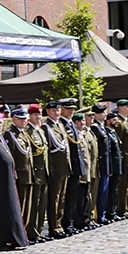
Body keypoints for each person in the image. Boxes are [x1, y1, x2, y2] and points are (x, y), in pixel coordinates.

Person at [0, 108, 28, 251]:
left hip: (7, 180)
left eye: (0, 122)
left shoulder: (0, 136)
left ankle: (13, 239)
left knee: (11, 209)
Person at [43, 101, 70, 238]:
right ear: (47, 111)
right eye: (54, 110)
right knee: (54, 198)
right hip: (55, 167)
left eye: (58, 110)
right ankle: (54, 227)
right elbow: (47, 150)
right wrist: (51, 169)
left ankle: (59, 225)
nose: (57, 113)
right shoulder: (46, 126)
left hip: (64, 167)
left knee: (62, 198)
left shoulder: (59, 125)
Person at [59, 99, 86, 235]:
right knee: (67, 197)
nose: (71, 111)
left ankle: (70, 222)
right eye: (68, 108)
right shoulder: (61, 125)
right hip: (68, 167)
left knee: (73, 196)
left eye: (72, 109)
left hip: (75, 166)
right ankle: (66, 223)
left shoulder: (71, 124)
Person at [5, 107, 34, 229]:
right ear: (13, 119)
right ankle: (19, 232)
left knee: (27, 205)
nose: (23, 121)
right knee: (20, 205)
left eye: (24, 119)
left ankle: (24, 231)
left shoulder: (23, 133)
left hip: (28, 174)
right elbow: (11, 156)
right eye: (20, 119)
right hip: (20, 175)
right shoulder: (10, 134)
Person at [25, 104, 50, 243]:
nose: (38, 116)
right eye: (35, 114)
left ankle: (39, 230)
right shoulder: (28, 132)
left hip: (43, 173)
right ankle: (32, 232)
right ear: (30, 115)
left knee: (42, 204)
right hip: (35, 173)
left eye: (39, 114)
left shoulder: (40, 131)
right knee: (34, 204)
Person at [89, 104, 113, 224]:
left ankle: (102, 214)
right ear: (96, 114)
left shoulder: (102, 127)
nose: (105, 115)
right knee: (99, 192)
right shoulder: (95, 127)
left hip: (106, 163)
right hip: (100, 164)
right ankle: (99, 215)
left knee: (104, 191)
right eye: (102, 113)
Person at [114, 99, 128, 217]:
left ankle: (125, 208)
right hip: (123, 158)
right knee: (122, 185)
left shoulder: (125, 122)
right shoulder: (119, 123)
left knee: (127, 184)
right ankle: (121, 209)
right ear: (120, 108)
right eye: (127, 106)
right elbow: (119, 142)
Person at [105, 111, 124, 221]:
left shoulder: (113, 131)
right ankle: (110, 212)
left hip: (117, 165)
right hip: (112, 166)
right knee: (111, 190)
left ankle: (113, 211)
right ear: (108, 121)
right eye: (113, 120)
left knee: (115, 190)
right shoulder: (107, 132)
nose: (116, 122)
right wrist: (111, 168)